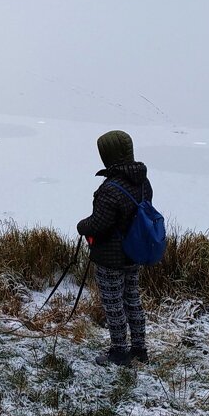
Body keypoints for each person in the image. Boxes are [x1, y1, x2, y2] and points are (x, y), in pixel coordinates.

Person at [76, 130, 151, 367]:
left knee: (113, 304)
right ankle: (139, 350)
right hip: (134, 252)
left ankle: (118, 353)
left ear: (109, 155)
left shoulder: (110, 189)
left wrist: (81, 226)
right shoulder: (142, 181)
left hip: (110, 257)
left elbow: (99, 225)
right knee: (132, 300)